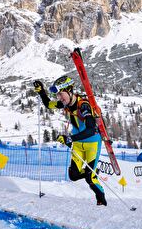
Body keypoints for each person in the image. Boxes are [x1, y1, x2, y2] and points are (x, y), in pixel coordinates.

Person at [33, 76, 107, 206]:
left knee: (90, 178)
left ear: (69, 90)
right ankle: (92, 172)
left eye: (61, 94)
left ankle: (101, 201)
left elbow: (91, 130)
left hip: (92, 144)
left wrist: (69, 138)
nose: (59, 98)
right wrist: (41, 91)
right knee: (73, 175)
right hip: (78, 144)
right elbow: (48, 104)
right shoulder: (65, 104)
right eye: (58, 95)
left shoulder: (83, 105)